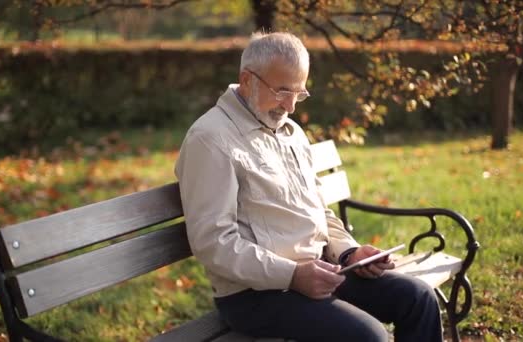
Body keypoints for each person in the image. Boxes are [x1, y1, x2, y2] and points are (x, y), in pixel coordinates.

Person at [175, 32, 442, 342]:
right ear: (247, 80)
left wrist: (349, 254)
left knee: (419, 298)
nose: (290, 105)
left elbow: (319, 211)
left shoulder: (291, 132)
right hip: (257, 294)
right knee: (371, 337)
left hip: (321, 270)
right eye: (282, 91)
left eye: (299, 93)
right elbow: (213, 242)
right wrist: (292, 275)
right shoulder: (210, 139)